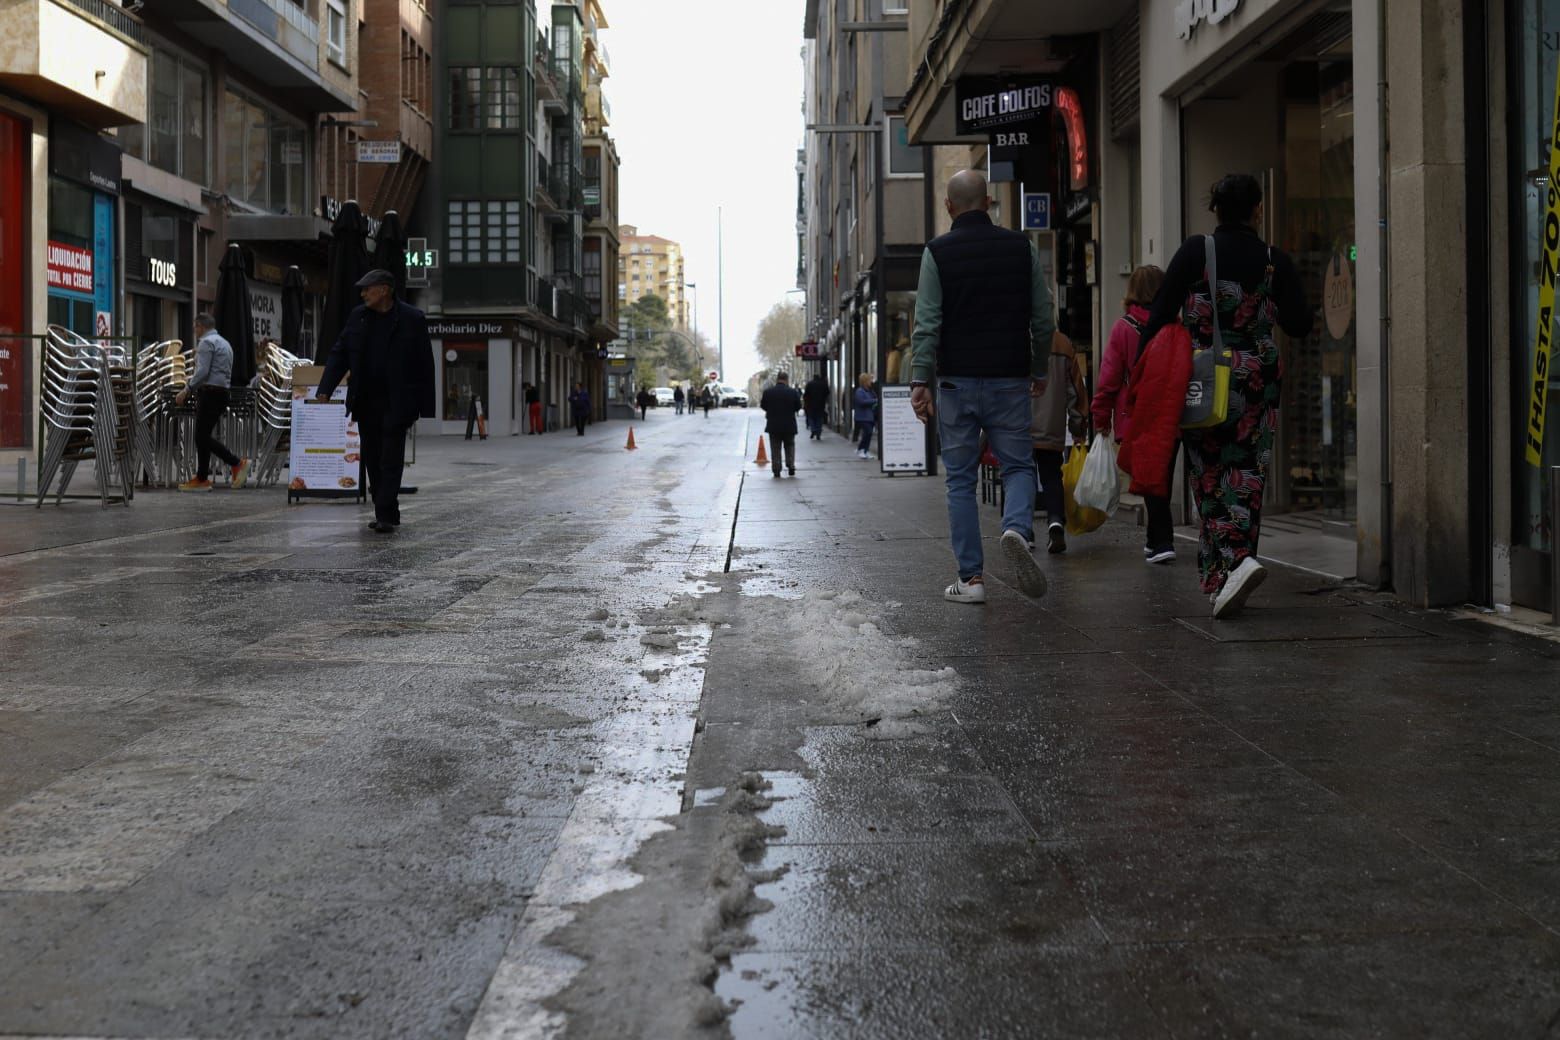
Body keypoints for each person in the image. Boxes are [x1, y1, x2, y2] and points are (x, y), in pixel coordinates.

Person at [1135, 173, 1313, 618]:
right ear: (1257, 210)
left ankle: (1231, 566)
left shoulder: (1197, 251)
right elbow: (1300, 324)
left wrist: (1142, 374)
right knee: (1248, 477)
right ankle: (1230, 573)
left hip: (1203, 381)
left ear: (1214, 209)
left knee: (1209, 476)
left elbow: (1158, 314)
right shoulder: (1275, 260)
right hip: (1258, 383)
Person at [908, 169, 1055, 604]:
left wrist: (920, 380)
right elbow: (1043, 316)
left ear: (949, 207)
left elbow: (927, 323)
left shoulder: (937, 252)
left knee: (959, 480)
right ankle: (1016, 528)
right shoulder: (1020, 248)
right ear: (989, 202)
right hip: (1009, 378)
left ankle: (971, 580)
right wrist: (1039, 367)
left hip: (955, 382)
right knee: (1018, 466)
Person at [316, 269, 436, 532]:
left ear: (384, 290)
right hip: (365, 400)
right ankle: (388, 512)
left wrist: (425, 405)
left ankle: (384, 512)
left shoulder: (412, 319)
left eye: (367, 289)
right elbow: (340, 353)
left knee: (391, 458)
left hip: (398, 401)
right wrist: (325, 388)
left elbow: (425, 364)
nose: (362, 294)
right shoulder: (358, 317)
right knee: (372, 457)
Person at [1092, 266, 1170, 562]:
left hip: (1135, 416)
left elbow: (1109, 379)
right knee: (1160, 474)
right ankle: (1156, 539)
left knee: (1149, 478)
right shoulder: (1172, 325)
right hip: (1169, 414)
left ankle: (1163, 542)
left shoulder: (1123, 329)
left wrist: (1100, 418)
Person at [176, 313, 249, 492]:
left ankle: (236, 462)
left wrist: (187, 389)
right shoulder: (225, 343)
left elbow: (202, 372)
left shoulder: (206, 343)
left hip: (209, 393)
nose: (194, 330)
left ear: (201, 326)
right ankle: (202, 477)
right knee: (203, 436)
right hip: (222, 393)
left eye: (195, 327)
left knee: (201, 436)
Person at [1030, 330, 1088, 555]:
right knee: (1052, 476)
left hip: (1017, 426)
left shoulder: (1013, 334)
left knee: (1019, 475)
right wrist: (1077, 425)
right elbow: (1075, 390)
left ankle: (1023, 530)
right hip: (1051, 424)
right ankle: (1055, 522)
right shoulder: (1062, 342)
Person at [760, 370, 803, 477]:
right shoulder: (793, 392)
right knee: (790, 445)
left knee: (775, 448)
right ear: (786, 380)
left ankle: (776, 469)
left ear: (777, 379)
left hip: (774, 425)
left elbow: (763, 405)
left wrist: (771, 411)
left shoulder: (768, 392)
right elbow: (798, 406)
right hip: (789, 424)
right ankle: (791, 465)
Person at [852, 373, 878, 459]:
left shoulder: (870, 391)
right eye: (869, 380)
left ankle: (865, 451)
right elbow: (862, 402)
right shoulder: (859, 391)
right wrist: (875, 400)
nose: (871, 382)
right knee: (868, 432)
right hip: (862, 417)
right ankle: (860, 449)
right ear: (865, 381)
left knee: (869, 434)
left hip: (870, 416)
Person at [802, 373, 829, 440]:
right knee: (819, 418)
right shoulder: (823, 384)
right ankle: (818, 433)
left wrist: (806, 402)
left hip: (811, 405)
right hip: (820, 404)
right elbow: (827, 392)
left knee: (811, 418)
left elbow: (805, 395)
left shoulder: (809, 384)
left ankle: (813, 429)